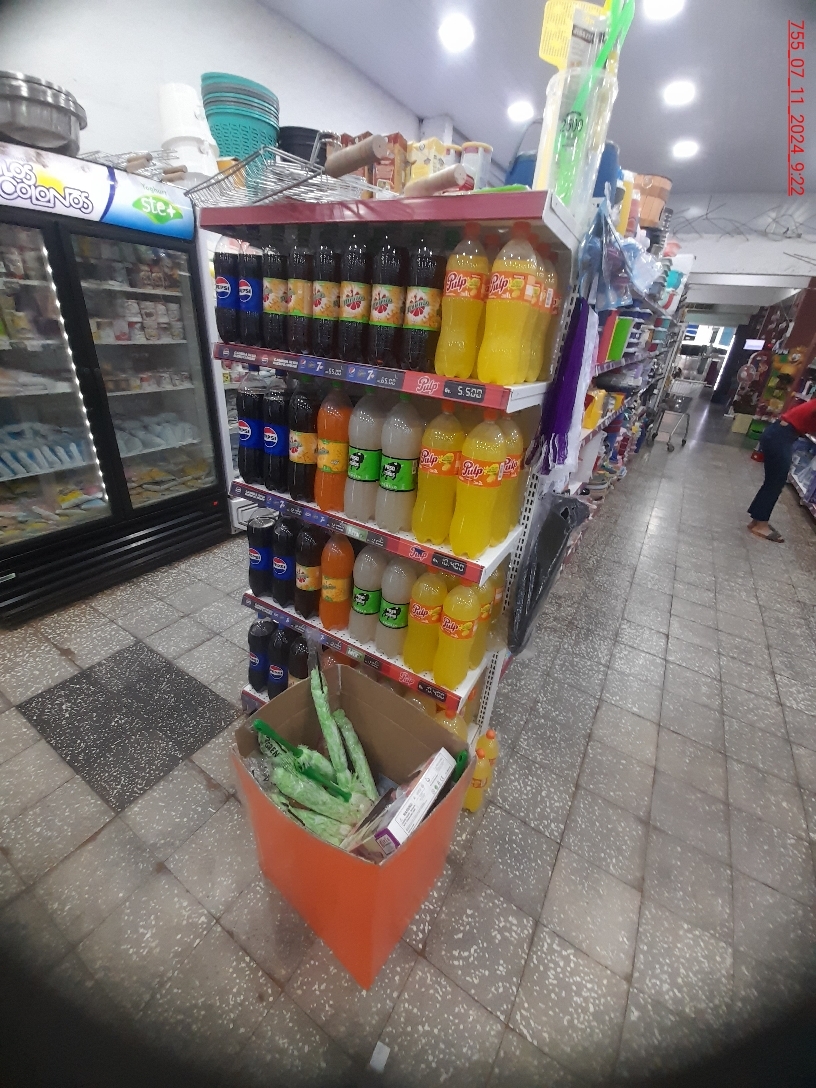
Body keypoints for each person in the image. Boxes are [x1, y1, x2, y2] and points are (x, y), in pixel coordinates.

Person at [747, 396, 816, 542]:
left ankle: (757, 520)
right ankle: (760, 524)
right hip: (780, 437)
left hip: (779, 433)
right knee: (776, 482)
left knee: (772, 482)